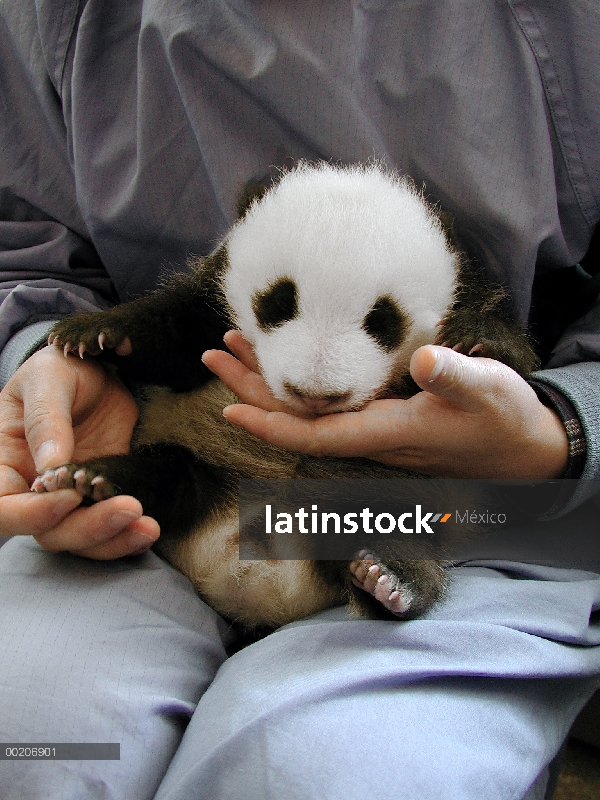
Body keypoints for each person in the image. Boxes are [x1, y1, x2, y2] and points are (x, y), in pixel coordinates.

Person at [1, 1, 599, 798]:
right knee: (35, 748)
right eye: (276, 307)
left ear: (449, 299)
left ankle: (390, 579)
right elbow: (27, 247)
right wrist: (54, 353)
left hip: (464, 522)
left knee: (314, 775)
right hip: (170, 501)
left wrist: (557, 423)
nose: (318, 376)